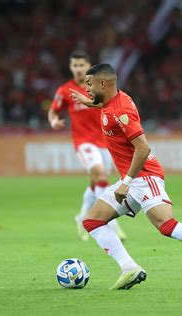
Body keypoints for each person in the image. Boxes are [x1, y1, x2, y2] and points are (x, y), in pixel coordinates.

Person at [70, 63, 182, 290]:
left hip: (144, 176)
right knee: (92, 221)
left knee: (166, 225)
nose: (87, 89)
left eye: (90, 84)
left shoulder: (121, 111)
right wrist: (89, 103)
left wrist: (126, 182)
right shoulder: (112, 101)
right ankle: (129, 268)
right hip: (131, 180)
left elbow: (143, 148)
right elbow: (106, 105)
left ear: (103, 83)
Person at [48, 51, 126, 241]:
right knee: (100, 175)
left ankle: (81, 217)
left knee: (96, 181)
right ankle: (111, 223)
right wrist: (53, 121)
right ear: (70, 67)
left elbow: (112, 105)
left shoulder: (100, 87)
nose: (78, 69)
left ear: (88, 66)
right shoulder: (65, 90)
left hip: (104, 140)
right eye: (74, 65)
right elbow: (53, 110)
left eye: (81, 65)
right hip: (83, 142)